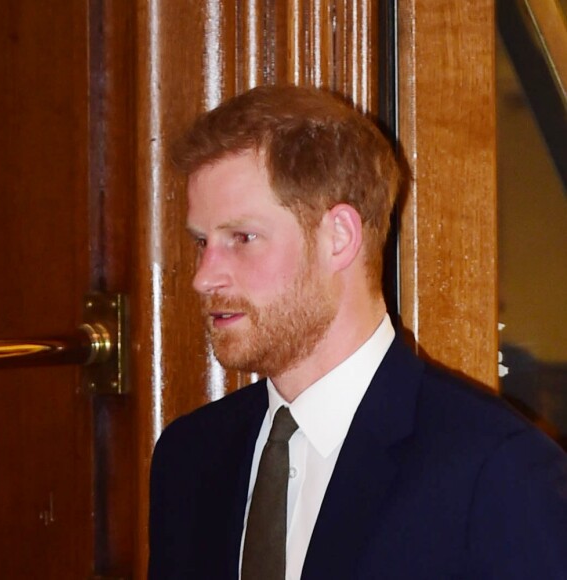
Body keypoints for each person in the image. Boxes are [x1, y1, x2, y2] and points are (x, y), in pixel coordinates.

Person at [149, 85, 567, 579]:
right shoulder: (190, 456)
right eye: (202, 241)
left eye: (242, 238)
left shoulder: (496, 469)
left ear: (339, 238)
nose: (203, 276)